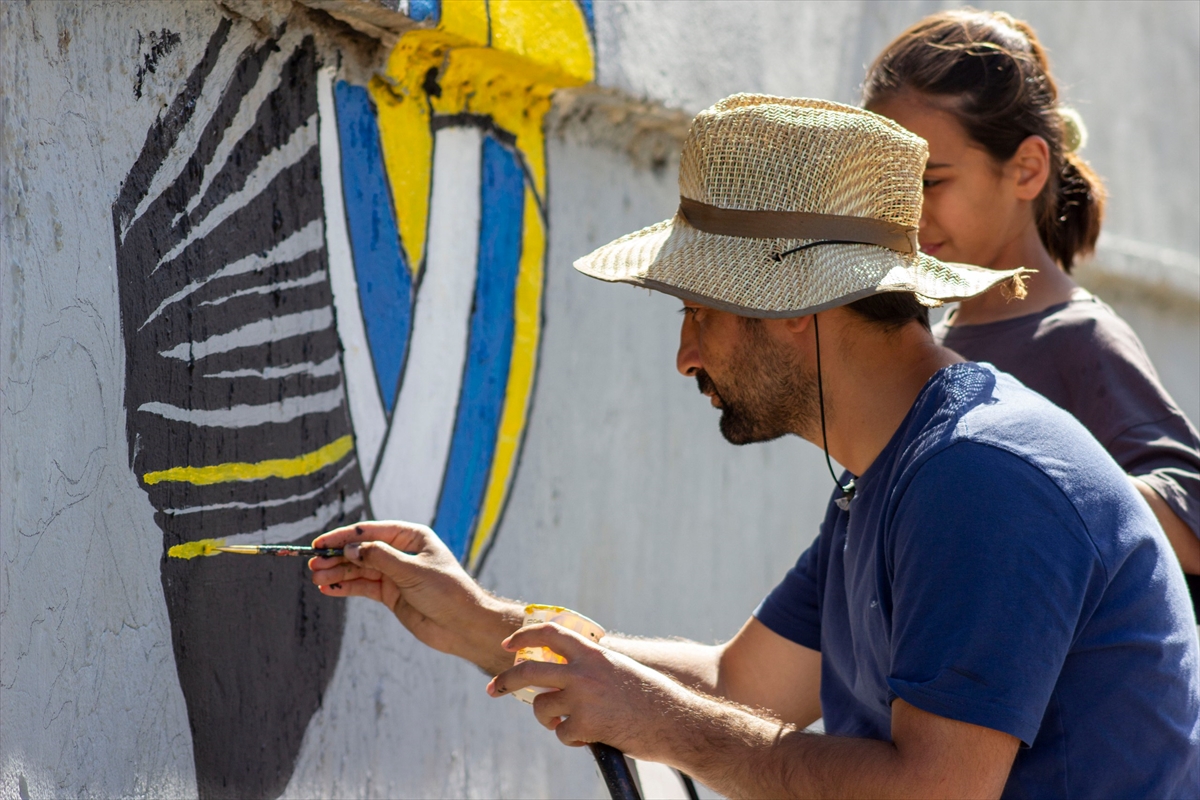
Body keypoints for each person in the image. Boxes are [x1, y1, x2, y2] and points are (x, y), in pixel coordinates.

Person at [309, 96, 1200, 798]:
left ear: (800, 310)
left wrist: (661, 723)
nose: (684, 355)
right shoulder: (897, 472)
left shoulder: (980, 475)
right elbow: (742, 685)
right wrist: (488, 625)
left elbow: (930, 794)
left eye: (701, 312)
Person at [861, 9, 1200, 618]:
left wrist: (1016, 482)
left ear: (1027, 169)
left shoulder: (1078, 338)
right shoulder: (929, 342)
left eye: (931, 181)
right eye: (889, 186)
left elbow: (1189, 510)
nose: (906, 213)